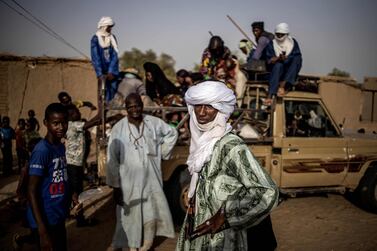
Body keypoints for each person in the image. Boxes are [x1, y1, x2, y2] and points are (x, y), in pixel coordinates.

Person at [175, 80, 278, 250]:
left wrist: (227, 216)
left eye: (209, 106)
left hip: (225, 238)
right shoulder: (202, 144)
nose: (201, 112)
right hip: (202, 231)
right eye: (198, 106)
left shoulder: (231, 146)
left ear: (221, 109)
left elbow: (267, 191)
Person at [106, 93, 177, 251]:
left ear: (142, 106)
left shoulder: (153, 122)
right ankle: (132, 245)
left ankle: (147, 244)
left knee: (151, 210)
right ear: (126, 109)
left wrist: (162, 152)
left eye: (137, 105)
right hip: (128, 181)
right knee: (129, 215)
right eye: (130, 107)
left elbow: (172, 133)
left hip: (151, 177)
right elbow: (112, 159)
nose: (134, 109)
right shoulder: (119, 128)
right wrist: (115, 186)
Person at [27, 103, 70, 251]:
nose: (61, 127)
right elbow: (31, 190)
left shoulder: (60, 146)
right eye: (55, 123)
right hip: (46, 219)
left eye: (64, 122)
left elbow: (60, 178)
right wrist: (42, 230)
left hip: (57, 215)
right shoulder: (42, 150)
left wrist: (71, 198)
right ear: (46, 123)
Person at [65, 104, 98, 227]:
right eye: (75, 112)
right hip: (73, 165)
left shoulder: (73, 125)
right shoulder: (73, 125)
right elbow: (94, 121)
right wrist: (103, 111)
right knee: (77, 193)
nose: (78, 113)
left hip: (76, 164)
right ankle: (80, 219)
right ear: (69, 116)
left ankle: (73, 215)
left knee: (74, 192)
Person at [264, 23, 302, 105]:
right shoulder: (272, 44)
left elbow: (297, 58)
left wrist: (287, 58)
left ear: (286, 34)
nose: (280, 36)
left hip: (289, 71)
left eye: (282, 34)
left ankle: (282, 87)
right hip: (275, 71)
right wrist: (278, 58)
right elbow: (269, 60)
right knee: (278, 65)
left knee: (297, 59)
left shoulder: (293, 43)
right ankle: (270, 95)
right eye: (278, 34)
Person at [90, 16, 120, 122]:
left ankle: (112, 114)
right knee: (102, 96)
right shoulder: (95, 39)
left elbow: (115, 55)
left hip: (112, 73)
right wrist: (100, 73)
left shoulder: (113, 38)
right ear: (104, 26)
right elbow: (95, 57)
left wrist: (111, 71)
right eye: (109, 27)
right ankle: (102, 118)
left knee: (113, 94)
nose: (110, 29)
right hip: (102, 73)